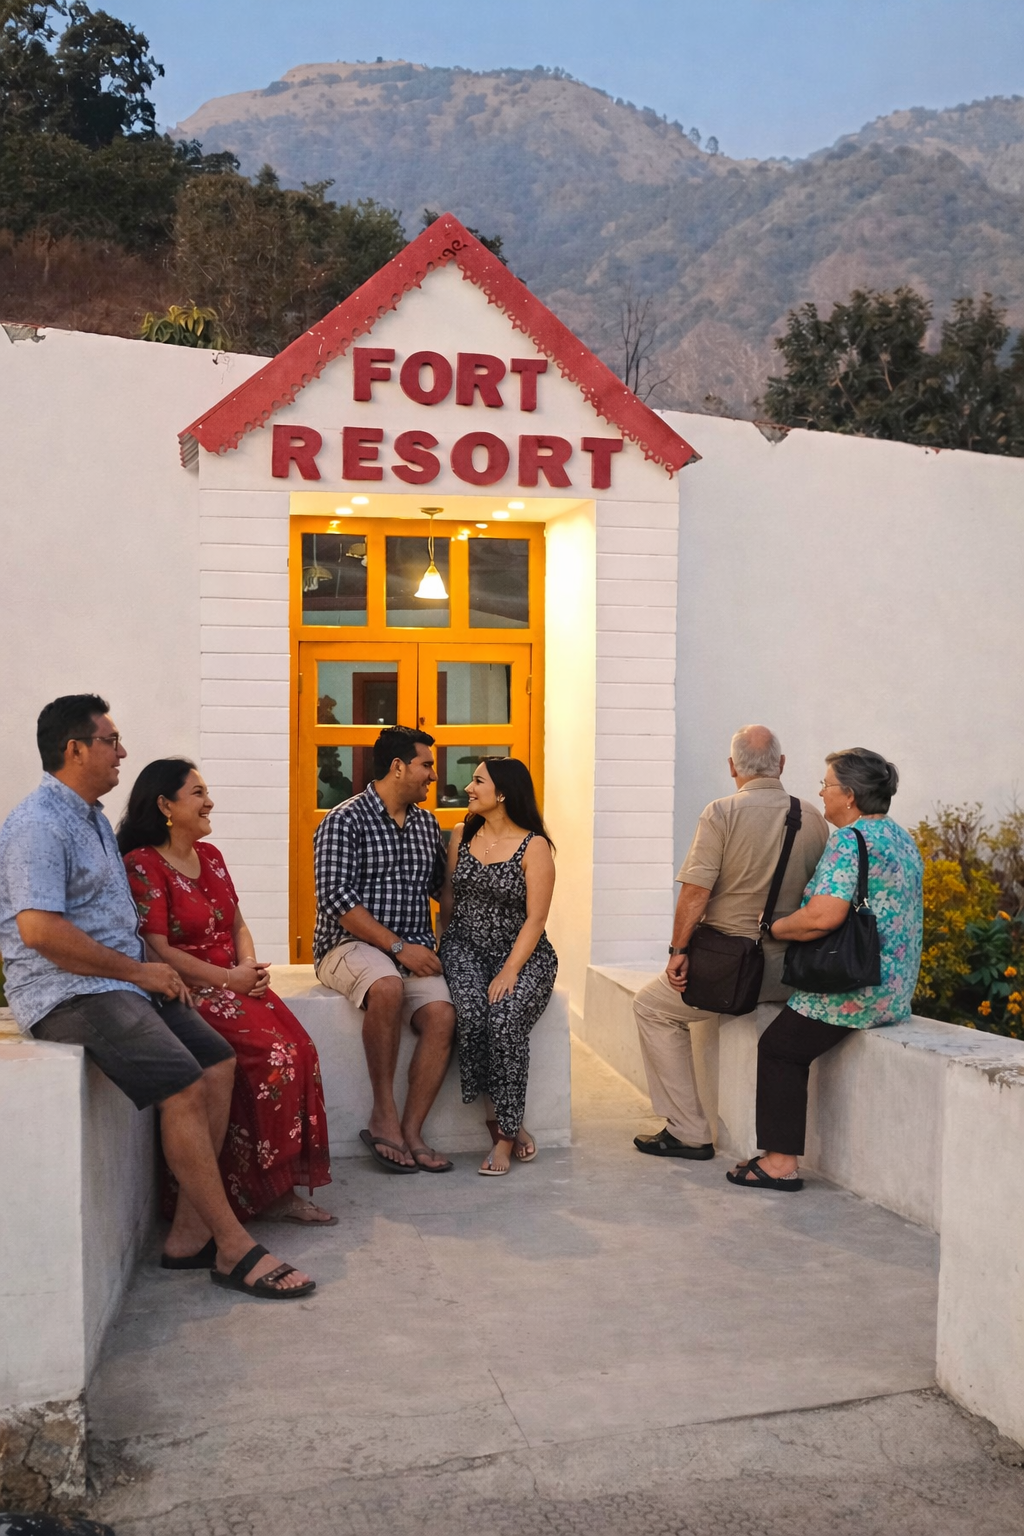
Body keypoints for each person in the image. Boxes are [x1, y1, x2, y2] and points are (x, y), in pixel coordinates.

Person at [0, 696, 313, 1299]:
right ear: (75, 749)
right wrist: (141, 973)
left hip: (121, 981)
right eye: (110, 741)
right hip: (69, 992)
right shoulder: (38, 823)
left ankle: (188, 1235)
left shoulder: (90, 817)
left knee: (218, 1061)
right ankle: (232, 1245)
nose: (122, 753)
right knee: (184, 1082)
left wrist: (152, 971)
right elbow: (39, 932)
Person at [118, 758, 334, 1226]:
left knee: (300, 1049)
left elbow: (237, 924)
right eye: (197, 793)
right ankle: (242, 1195)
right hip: (194, 990)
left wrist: (247, 967)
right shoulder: (143, 865)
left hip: (235, 983)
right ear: (165, 805)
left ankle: (277, 1187)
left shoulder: (211, 856)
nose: (209, 802)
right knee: (273, 1057)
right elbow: (156, 949)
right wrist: (226, 979)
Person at [728, 747, 924, 1191]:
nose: (821, 793)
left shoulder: (849, 840)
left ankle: (780, 1162)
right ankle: (777, 1156)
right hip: (892, 990)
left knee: (779, 1047)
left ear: (849, 795)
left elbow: (823, 917)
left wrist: (774, 927)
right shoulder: (900, 838)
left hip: (853, 988)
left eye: (827, 785)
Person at [633, 725, 829, 1160]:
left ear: (732, 767)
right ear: (781, 765)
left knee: (651, 1007)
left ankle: (687, 1130)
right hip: (791, 973)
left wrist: (678, 952)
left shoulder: (721, 812)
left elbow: (695, 892)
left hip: (731, 975)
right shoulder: (813, 816)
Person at [313, 725, 455, 1172]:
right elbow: (336, 899)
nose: (434, 775)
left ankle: (412, 1130)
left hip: (411, 953)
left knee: (443, 1015)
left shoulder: (426, 824)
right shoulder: (344, 819)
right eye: (426, 765)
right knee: (388, 985)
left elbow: (442, 889)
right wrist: (398, 947)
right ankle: (383, 1114)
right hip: (347, 946)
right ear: (398, 767)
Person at [438, 758, 557, 1176]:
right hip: (464, 948)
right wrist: (444, 945)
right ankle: (502, 1120)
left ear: (502, 793)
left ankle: (504, 1137)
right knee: (472, 1015)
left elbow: (536, 919)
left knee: (504, 1017)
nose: (468, 788)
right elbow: (449, 898)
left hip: (522, 954)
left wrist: (509, 971)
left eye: (478, 781)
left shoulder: (535, 846)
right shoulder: (461, 834)